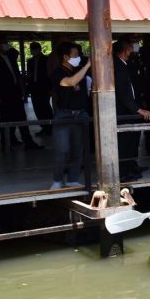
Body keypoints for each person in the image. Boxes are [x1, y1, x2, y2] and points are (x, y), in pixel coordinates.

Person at [0, 39, 42, 149]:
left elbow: (16, 54)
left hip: (14, 92)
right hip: (2, 94)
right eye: (3, 44)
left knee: (21, 117)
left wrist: (9, 48)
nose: (6, 46)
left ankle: (27, 142)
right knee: (5, 118)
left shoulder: (10, 56)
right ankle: (6, 142)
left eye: (6, 44)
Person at [49, 42, 91, 189]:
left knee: (78, 149)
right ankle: (58, 179)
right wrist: (87, 66)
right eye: (75, 55)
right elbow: (71, 82)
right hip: (64, 115)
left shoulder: (79, 70)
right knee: (62, 149)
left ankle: (73, 178)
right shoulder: (57, 73)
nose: (78, 58)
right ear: (66, 57)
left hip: (81, 115)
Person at [113, 40, 150, 181]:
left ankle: (131, 165)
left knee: (132, 140)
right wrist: (137, 109)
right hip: (124, 111)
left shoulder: (125, 65)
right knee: (125, 142)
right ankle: (124, 173)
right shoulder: (117, 66)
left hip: (130, 109)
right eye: (130, 48)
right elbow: (123, 93)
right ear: (125, 51)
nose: (132, 51)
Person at [26, 42, 53, 135]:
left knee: (45, 107)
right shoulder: (30, 61)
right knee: (37, 108)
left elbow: (49, 74)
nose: (32, 51)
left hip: (44, 87)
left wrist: (50, 88)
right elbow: (29, 74)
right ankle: (44, 127)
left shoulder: (46, 59)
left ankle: (50, 126)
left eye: (34, 49)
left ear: (39, 49)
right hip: (34, 87)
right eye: (31, 49)